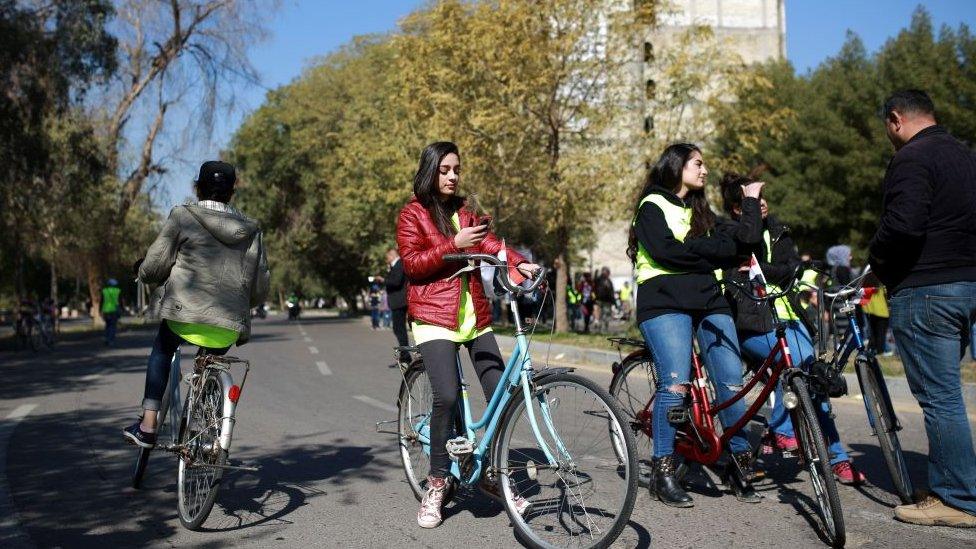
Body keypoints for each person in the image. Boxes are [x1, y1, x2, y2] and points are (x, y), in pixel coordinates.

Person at [396, 141, 541, 529]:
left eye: (456, 169)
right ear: (430, 171)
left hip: (473, 315)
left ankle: (493, 474)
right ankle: (438, 483)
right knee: (445, 396)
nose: (453, 176)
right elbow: (412, 264)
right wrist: (453, 245)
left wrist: (518, 263)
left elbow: (490, 245)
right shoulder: (412, 214)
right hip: (432, 316)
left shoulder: (465, 211)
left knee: (499, 392)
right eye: (445, 170)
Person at [629, 143, 764, 507]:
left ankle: (739, 462)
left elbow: (746, 243)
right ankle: (664, 470)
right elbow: (665, 252)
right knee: (676, 384)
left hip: (709, 299)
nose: (705, 171)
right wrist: (713, 253)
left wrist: (750, 200)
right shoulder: (652, 205)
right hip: (664, 300)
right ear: (676, 166)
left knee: (732, 383)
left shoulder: (704, 213)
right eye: (698, 164)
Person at [870, 90, 976, 527]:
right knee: (949, 394)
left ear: (896, 119)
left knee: (940, 397)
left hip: (927, 287)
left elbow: (904, 225)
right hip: (966, 284)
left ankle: (958, 498)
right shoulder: (963, 155)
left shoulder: (913, 158)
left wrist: (876, 262)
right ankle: (957, 485)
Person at [718, 173, 866, 486]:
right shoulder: (731, 231)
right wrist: (775, 272)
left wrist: (771, 271)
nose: (763, 205)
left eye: (763, 199)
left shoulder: (779, 229)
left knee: (815, 380)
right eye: (755, 200)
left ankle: (837, 458)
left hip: (790, 318)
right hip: (753, 325)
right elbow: (748, 262)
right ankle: (782, 430)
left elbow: (792, 269)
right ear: (737, 208)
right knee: (801, 363)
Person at [123, 161, 269, 449]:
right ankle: (208, 429)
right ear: (231, 193)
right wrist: (242, 302)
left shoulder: (182, 217)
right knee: (210, 362)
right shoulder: (251, 230)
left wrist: (141, 271)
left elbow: (154, 266)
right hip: (227, 326)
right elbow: (260, 286)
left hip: (182, 318)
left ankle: (148, 425)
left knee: (162, 349)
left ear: (198, 187)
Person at [385, 248, 410, 363]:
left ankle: (405, 356)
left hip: (399, 302)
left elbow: (395, 282)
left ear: (392, 255)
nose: (387, 260)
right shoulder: (396, 265)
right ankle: (404, 354)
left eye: (387, 257)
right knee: (398, 329)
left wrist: (384, 280)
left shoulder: (399, 264)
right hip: (398, 302)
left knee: (399, 329)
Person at [861, 272, 891, 356]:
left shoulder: (866, 281)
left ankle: (871, 350)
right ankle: (880, 351)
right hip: (882, 311)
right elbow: (886, 294)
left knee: (873, 333)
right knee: (881, 333)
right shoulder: (880, 282)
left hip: (869, 310)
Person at [101, 279, 122, 346]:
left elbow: (101, 301)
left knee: (107, 325)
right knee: (113, 326)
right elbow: (120, 301)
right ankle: (111, 340)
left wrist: (100, 310)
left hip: (106, 310)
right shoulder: (118, 291)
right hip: (114, 310)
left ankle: (107, 338)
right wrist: (122, 309)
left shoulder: (104, 291)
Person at [594, 267, 615, 333]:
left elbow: (611, 292)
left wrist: (613, 302)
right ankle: (600, 328)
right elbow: (594, 282)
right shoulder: (599, 280)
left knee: (606, 315)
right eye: (606, 272)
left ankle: (604, 328)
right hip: (599, 300)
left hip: (607, 301)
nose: (607, 274)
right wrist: (595, 273)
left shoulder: (609, 281)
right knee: (600, 315)